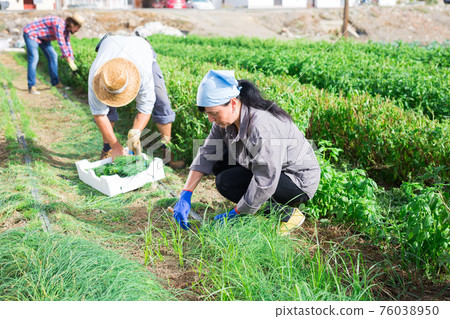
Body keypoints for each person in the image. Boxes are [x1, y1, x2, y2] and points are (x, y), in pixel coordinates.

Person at [172, 70, 321, 235]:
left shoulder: (262, 127)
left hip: (295, 181)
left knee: (237, 184)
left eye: (213, 113)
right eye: (208, 114)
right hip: (266, 169)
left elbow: (266, 179)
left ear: (233, 103)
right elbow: (207, 153)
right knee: (220, 167)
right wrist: (186, 193)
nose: (210, 119)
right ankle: (255, 207)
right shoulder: (225, 121)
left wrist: (237, 212)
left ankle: (286, 214)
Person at [88, 35, 185, 169]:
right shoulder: (97, 75)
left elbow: (145, 107)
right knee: (107, 107)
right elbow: (99, 114)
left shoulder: (143, 73)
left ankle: (168, 155)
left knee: (162, 102)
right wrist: (117, 146)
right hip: (109, 44)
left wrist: (135, 133)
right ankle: (108, 149)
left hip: (141, 49)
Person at [23, 14, 84, 95]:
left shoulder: (66, 31)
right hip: (31, 33)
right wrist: (69, 61)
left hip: (43, 38)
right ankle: (32, 86)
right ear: (73, 25)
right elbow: (61, 43)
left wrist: (72, 61)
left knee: (53, 56)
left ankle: (55, 83)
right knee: (34, 58)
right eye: (78, 27)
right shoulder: (59, 25)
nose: (78, 30)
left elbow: (68, 45)